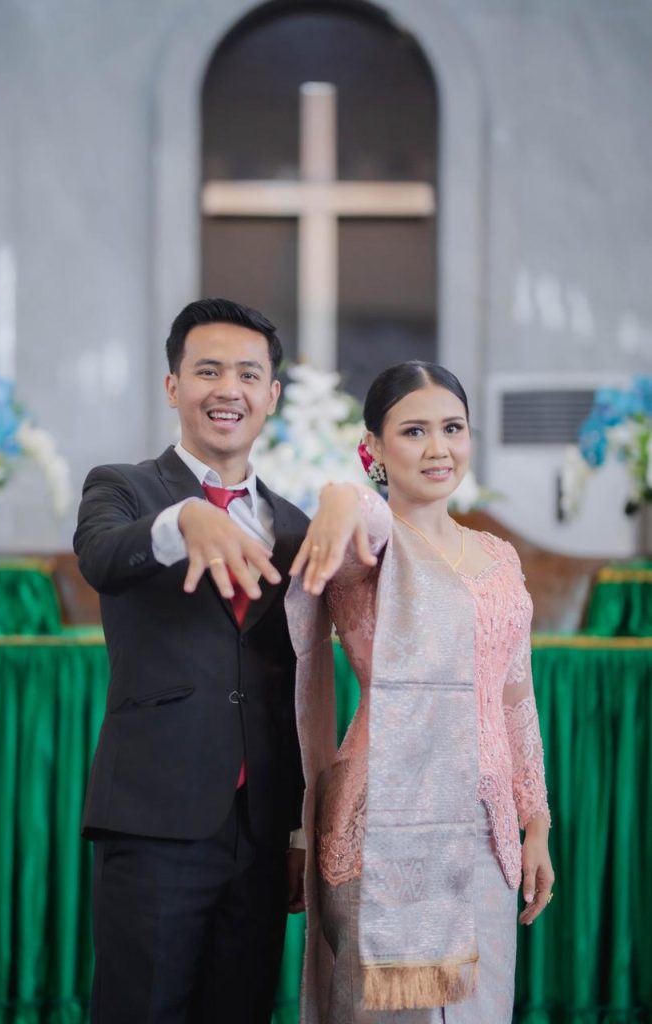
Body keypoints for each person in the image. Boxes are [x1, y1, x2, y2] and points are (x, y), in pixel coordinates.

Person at [286, 361, 554, 1024]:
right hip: (385, 823)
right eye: (413, 431)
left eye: (452, 428)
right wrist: (340, 496)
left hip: (487, 829)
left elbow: (515, 698)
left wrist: (536, 821)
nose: (438, 448)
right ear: (372, 447)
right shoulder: (369, 548)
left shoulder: (498, 555)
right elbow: (363, 519)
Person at [74, 298, 308, 1024]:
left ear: (272, 394)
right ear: (173, 385)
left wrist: (297, 828)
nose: (227, 389)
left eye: (248, 374)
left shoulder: (293, 526)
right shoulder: (123, 487)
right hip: (154, 819)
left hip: (260, 832)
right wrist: (185, 518)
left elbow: (298, 685)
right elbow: (101, 558)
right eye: (207, 371)